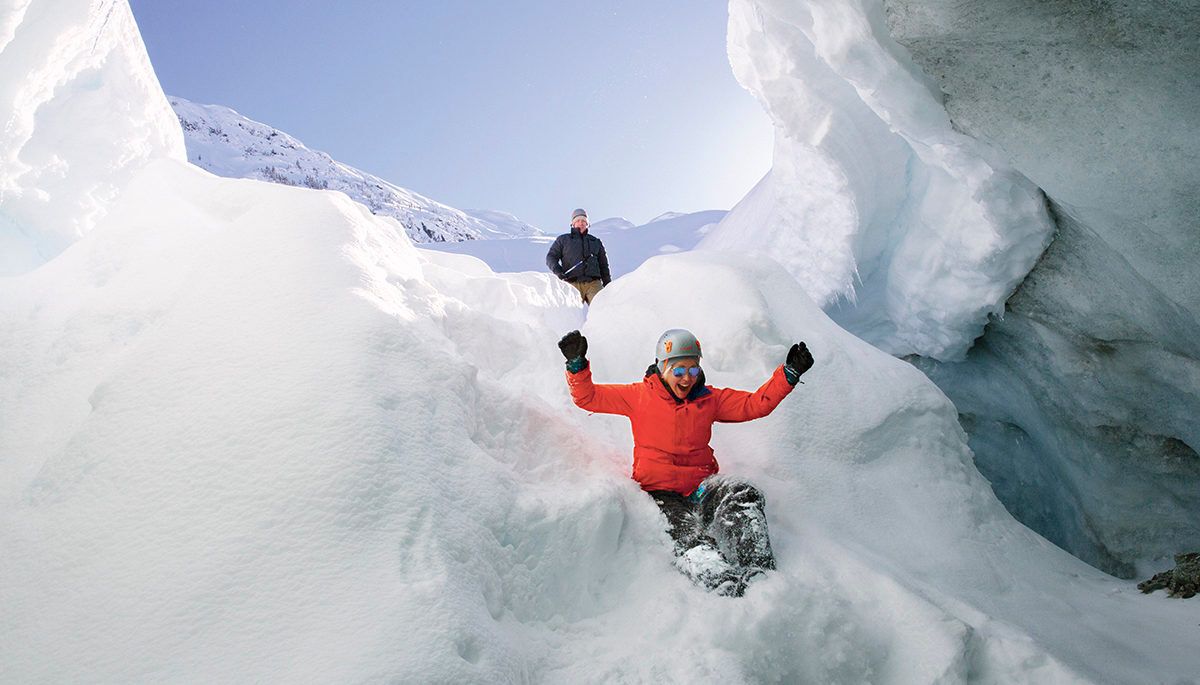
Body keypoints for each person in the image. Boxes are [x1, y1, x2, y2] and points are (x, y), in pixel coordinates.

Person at [557, 328, 814, 596]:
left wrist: (789, 375)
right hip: (661, 493)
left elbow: (754, 404)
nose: (687, 378)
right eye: (679, 371)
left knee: (743, 493)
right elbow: (588, 398)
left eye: (693, 370)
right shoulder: (639, 396)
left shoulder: (709, 399)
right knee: (687, 535)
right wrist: (577, 366)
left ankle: (760, 572)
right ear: (662, 367)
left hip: (702, 488)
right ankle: (719, 580)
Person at [545, 208, 611, 304]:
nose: (581, 223)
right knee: (570, 313)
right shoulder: (563, 240)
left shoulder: (596, 242)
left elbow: (603, 265)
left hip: (594, 283)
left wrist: (607, 285)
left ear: (587, 223)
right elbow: (551, 257)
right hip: (572, 283)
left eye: (584, 221)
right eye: (578, 220)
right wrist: (559, 272)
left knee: (601, 307)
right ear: (573, 223)